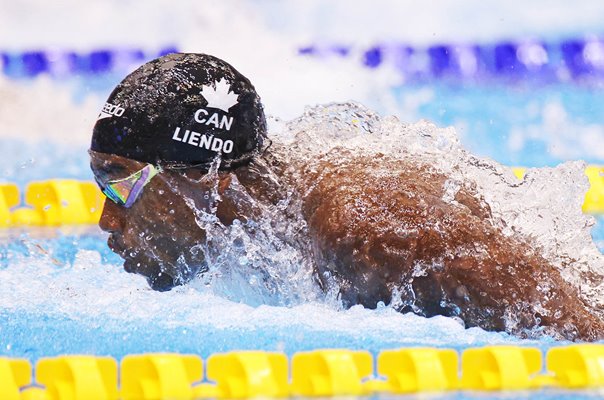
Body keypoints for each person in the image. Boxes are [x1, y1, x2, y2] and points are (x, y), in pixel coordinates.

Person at [90, 53, 604, 341]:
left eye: (118, 182)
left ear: (207, 176)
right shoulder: (270, 229)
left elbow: (582, 328)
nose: (107, 220)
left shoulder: (365, 233)